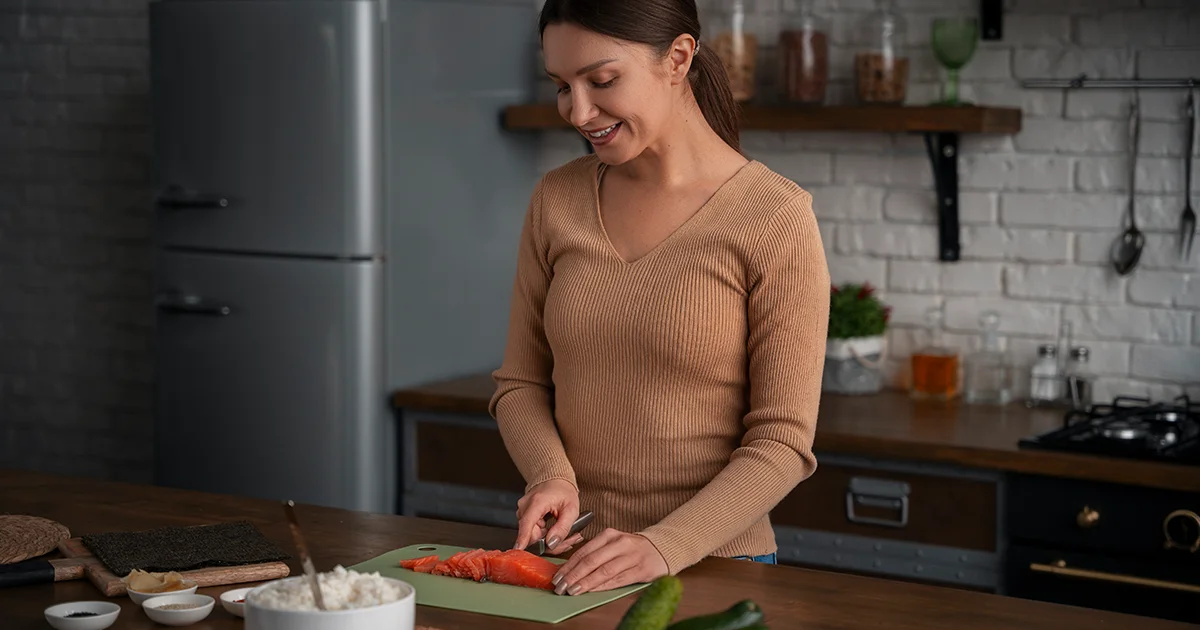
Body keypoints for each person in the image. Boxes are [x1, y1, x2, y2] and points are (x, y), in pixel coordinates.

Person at [488, 0, 830, 597]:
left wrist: (660, 546)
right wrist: (552, 476)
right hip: (571, 567)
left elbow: (782, 441)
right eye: (563, 86)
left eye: (601, 80)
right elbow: (520, 383)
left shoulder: (775, 217)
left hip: (716, 569)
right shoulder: (556, 200)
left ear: (677, 58)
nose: (578, 111)